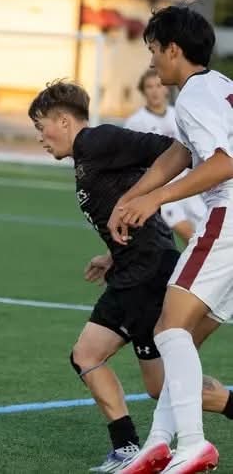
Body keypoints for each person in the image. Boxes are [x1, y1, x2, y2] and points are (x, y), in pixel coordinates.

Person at [28, 80, 232, 473]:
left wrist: (156, 197)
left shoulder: (99, 140)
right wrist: (112, 252)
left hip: (148, 272)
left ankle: (186, 431)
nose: (40, 137)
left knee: (159, 386)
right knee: (88, 355)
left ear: (65, 121)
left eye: (42, 126)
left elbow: (174, 154)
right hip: (129, 269)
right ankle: (125, 448)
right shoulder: (87, 155)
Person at [110, 5, 233, 474]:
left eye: (154, 51)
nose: (152, 62)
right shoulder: (217, 87)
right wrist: (133, 195)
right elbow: (180, 153)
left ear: (174, 50)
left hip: (229, 215)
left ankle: (194, 444)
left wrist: (155, 199)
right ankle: (160, 444)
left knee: (167, 329)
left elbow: (222, 163)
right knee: (182, 340)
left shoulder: (194, 96)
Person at [124, 69, 206, 244]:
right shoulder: (135, 122)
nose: (154, 90)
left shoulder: (178, 114)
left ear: (166, 89)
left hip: (186, 182)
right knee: (188, 233)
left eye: (158, 85)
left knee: (204, 228)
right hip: (159, 187)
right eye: (149, 86)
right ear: (143, 91)